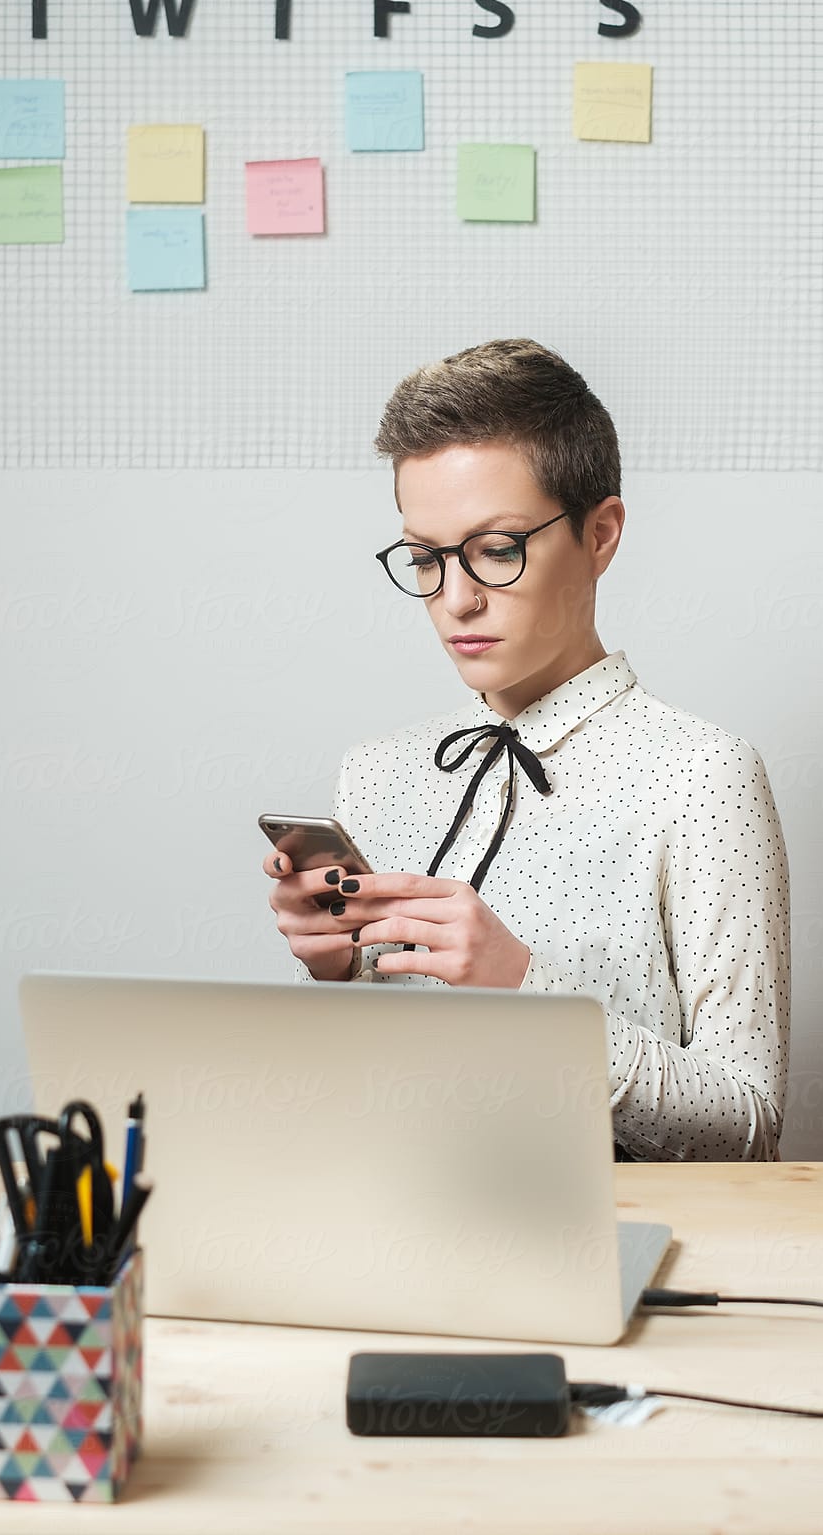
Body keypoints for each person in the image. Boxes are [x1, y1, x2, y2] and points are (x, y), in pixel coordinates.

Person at [263, 338, 790, 1161]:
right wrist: (330, 974)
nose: (456, 599)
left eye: (497, 549)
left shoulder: (702, 773)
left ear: (600, 534)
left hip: (601, 1240)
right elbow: (347, 1093)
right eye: (425, 557)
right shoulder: (374, 771)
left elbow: (749, 1125)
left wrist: (524, 987)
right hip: (376, 1220)